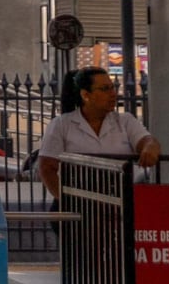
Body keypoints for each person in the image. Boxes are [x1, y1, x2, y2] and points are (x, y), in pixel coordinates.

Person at [37, 67, 160, 197]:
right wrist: (66, 200)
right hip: (78, 202)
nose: (113, 94)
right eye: (104, 89)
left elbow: (146, 140)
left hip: (119, 201)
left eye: (112, 88)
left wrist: (150, 147)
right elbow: (47, 167)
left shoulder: (125, 121)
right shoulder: (61, 124)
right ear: (85, 95)